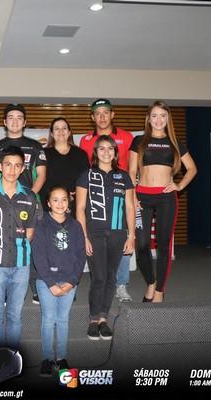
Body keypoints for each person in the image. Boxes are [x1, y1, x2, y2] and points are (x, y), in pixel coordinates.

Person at [129, 100, 197, 303]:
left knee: (163, 245)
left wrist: (179, 185)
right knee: (141, 245)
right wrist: (132, 195)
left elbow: (192, 168)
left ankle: (159, 289)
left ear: (168, 119)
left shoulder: (175, 142)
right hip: (141, 197)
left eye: (162, 116)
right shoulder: (139, 141)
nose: (158, 120)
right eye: (155, 116)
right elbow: (131, 171)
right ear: (148, 119)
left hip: (166, 198)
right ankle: (150, 282)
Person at [0, 145, 38, 351]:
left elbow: (30, 232)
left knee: (15, 315)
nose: (12, 169)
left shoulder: (29, 196)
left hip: (21, 265)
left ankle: (11, 355)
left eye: (17, 165)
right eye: (8, 165)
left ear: (23, 169)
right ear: (0, 166)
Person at [76, 135, 135, 341]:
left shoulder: (124, 176)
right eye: (102, 148)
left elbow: (130, 207)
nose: (106, 152)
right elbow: (80, 208)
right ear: (95, 152)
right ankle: (93, 319)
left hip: (118, 233)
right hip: (94, 233)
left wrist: (131, 235)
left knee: (111, 277)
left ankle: (104, 318)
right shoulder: (86, 175)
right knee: (99, 277)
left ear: (115, 152)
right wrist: (84, 237)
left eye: (110, 148)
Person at [0, 104, 46, 305]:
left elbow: (42, 175)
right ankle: (3, 290)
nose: (15, 121)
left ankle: (36, 287)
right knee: (4, 244)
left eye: (19, 117)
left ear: (25, 122)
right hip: (2, 203)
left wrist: (28, 198)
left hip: (31, 203)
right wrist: (0, 198)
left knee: (34, 245)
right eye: (10, 117)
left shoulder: (35, 146)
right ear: (4, 122)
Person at [79, 99, 135, 303]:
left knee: (122, 238)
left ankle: (121, 284)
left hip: (122, 191)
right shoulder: (85, 140)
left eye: (106, 112)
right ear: (92, 117)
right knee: (99, 250)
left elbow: (133, 167)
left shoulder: (127, 137)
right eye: (97, 113)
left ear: (112, 115)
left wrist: (133, 194)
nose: (102, 117)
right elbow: (86, 169)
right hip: (98, 197)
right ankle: (101, 287)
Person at [32, 185, 86, 377]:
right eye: (55, 200)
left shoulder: (76, 226)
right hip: (47, 282)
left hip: (69, 281)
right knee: (48, 319)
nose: (60, 203)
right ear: (48, 203)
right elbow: (38, 256)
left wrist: (72, 281)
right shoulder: (42, 226)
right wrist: (50, 283)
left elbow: (81, 256)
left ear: (69, 202)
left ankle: (61, 357)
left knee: (63, 320)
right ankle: (47, 358)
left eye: (64, 199)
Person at [40, 117, 90, 217]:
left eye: (64, 128)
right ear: (52, 133)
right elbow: (41, 179)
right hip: (50, 207)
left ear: (69, 132)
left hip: (75, 206)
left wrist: (70, 197)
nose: (61, 131)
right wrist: (57, 198)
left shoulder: (80, 154)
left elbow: (86, 180)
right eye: (57, 128)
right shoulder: (43, 153)